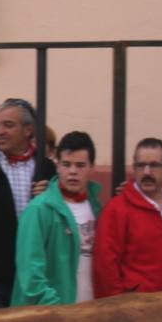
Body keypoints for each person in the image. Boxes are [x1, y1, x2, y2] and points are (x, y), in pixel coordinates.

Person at [0, 98, 56, 307]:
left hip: (34, 272)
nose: (0, 132)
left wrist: (51, 197)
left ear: (28, 130)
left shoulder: (47, 167)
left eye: (8, 125)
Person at [12, 131, 102, 306]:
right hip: (50, 319)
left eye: (80, 165)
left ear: (92, 167)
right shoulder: (39, 210)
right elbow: (30, 274)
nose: (72, 172)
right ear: (57, 165)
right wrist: (57, 312)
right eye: (66, 164)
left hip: (90, 313)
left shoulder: (97, 208)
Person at [94, 137, 162, 297]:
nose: (147, 172)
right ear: (134, 169)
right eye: (141, 166)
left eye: (154, 165)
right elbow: (106, 267)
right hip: (136, 312)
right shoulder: (116, 210)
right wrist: (119, 309)